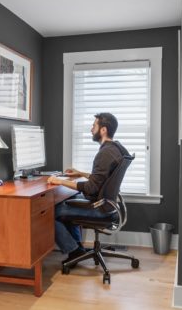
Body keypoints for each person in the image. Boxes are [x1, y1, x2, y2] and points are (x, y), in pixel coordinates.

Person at [47, 112, 130, 264]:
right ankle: (76, 248)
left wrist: (59, 181)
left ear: (103, 130)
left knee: (50, 212)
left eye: (94, 126)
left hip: (99, 208)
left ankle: (74, 251)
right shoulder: (116, 149)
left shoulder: (104, 153)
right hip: (108, 205)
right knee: (68, 201)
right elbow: (102, 179)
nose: (91, 129)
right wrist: (80, 173)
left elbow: (91, 188)